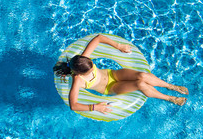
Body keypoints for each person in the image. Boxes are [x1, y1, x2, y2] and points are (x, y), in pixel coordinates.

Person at [53, 34, 188, 114]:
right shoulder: (78, 80)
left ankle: (171, 86)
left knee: (143, 76)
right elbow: (73, 105)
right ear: (79, 72)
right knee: (140, 84)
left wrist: (118, 46)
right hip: (110, 87)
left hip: (114, 74)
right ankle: (169, 98)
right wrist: (95, 107)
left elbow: (99, 37)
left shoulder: (83, 59)